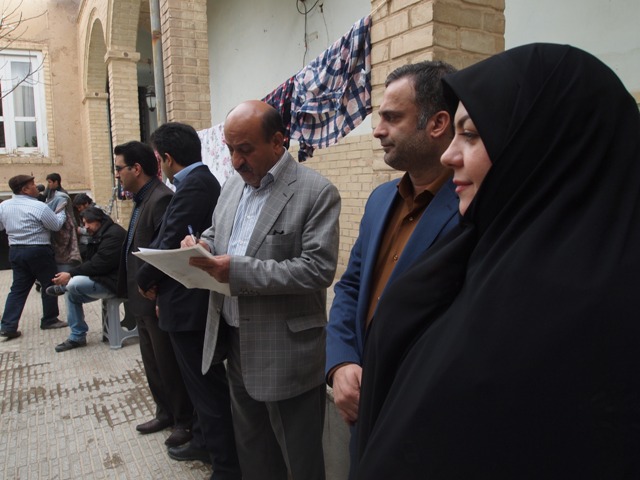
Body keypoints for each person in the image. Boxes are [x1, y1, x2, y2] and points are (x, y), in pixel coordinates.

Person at [355, 43, 640, 479]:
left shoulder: (599, 309)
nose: (450, 155)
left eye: (470, 135)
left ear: (539, 145)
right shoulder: (473, 247)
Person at [184, 100, 341, 480]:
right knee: (254, 453)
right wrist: (202, 245)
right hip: (235, 342)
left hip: (287, 352)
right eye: (230, 149)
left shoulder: (316, 192)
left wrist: (237, 271)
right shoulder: (231, 187)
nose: (236, 161)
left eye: (245, 149)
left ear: (277, 141)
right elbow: (217, 233)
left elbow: (317, 269)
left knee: (300, 461)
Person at [324, 61, 458, 476]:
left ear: (437, 123)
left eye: (391, 117)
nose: (377, 130)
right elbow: (350, 287)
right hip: (362, 408)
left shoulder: (471, 209)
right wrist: (341, 363)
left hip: (425, 420)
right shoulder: (381, 200)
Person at [136, 122, 241, 477]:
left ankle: (225, 463)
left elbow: (169, 239)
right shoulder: (195, 183)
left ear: (166, 158)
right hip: (183, 300)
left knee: (206, 386)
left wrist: (144, 280)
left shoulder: (196, 185)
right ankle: (202, 439)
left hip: (190, 304)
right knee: (197, 385)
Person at [114, 141, 194, 448]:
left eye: (119, 168)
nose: (117, 174)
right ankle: (165, 412)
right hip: (140, 298)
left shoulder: (161, 199)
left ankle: (184, 421)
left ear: (136, 168)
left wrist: (158, 294)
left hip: (155, 297)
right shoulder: (140, 199)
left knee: (168, 363)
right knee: (153, 363)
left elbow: (167, 252)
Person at [46, 207, 126, 352]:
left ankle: (63, 287)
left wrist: (70, 274)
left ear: (99, 221)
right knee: (71, 294)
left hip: (115, 283)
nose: (86, 226)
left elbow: (98, 264)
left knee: (73, 284)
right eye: (84, 223)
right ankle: (77, 336)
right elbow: (90, 261)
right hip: (103, 278)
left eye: (89, 222)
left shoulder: (114, 235)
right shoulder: (100, 233)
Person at [0, 175, 68, 339]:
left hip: (16, 250)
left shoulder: (3, 206)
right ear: (24, 189)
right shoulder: (39, 206)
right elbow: (55, 225)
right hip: (38, 250)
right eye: (32, 185)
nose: (36, 187)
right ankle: (50, 319)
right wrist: (61, 212)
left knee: (18, 288)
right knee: (49, 284)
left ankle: (8, 325)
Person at [45, 173, 81, 271]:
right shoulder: (50, 192)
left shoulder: (62, 195)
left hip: (64, 226)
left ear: (56, 182)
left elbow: (67, 213)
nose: (48, 185)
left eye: (50, 182)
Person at [73, 193, 99, 260]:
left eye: (80, 207)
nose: (79, 209)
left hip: (92, 244)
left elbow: (96, 229)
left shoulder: (96, 212)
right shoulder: (84, 213)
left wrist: (80, 230)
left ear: (86, 204)